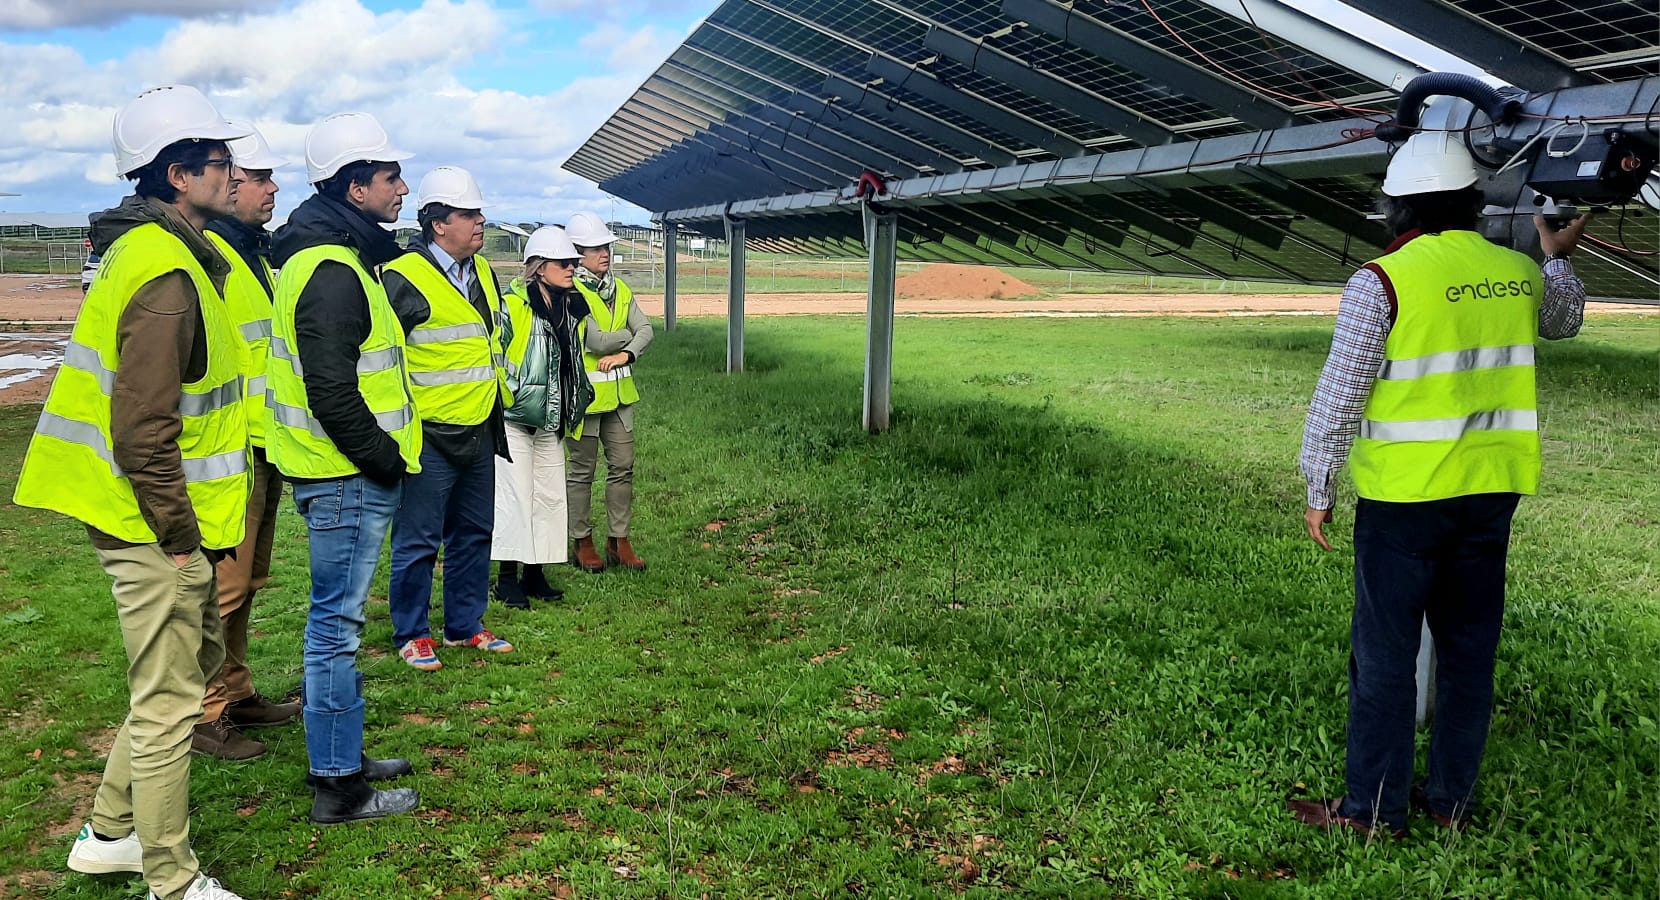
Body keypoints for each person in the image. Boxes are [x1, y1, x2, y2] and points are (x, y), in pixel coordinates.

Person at [1289, 131, 1589, 838]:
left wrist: (1319, 485)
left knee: (1386, 656)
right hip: (1491, 493)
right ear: (1473, 203)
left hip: (1405, 499)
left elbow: (1340, 397)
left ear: (1399, 209)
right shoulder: (1516, 271)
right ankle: (1451, 803)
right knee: (1467, 653)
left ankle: (1374, 811)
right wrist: (1558, 261)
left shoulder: (1383, 280)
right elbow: (1564, 321)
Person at [14, 85, 252, 900]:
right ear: (180, 175)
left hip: (148, 515)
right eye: (223, 162)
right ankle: (172, 882)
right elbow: (143, 429)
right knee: (168, 705)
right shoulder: (164, 271)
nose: (237, 173)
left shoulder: (163, 253)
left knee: (171, 683)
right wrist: (181, 539)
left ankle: (111, 836)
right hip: (149, 521)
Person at [267, 112, 421, 824]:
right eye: (392, 177)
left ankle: (341, 754)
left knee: (336, 624)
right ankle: (339, 785)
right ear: (357, 187)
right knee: (336, 627)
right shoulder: (330, 269)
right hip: (344, 477)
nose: (403, 188)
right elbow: (332, 390)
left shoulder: (332, 254)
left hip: (338, 475)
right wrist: (385, 461)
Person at [192, 122, 300, 761]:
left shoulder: (247, 254)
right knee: (222, 586)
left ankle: (234, 688)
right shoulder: (212, 255)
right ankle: (204, 713)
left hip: (260, 443)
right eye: (258, 178)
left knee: (249, 580)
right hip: (226, 450)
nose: (269, 188)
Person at [382, 166, 514, 670]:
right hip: (428, 434)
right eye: (468, 215)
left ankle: (465, 625)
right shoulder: (401, 277)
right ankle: (412, 633)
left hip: (480, 424)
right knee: (418, 539)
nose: (480, 222)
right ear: (438, 224)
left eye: (480, 213)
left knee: (475, 531)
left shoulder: (482, 271)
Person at [491, 226, 595, 607]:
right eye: (564, 262)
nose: (572, 268)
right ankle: (506, 578)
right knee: (513, 496)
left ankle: (535, 573)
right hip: (516, 418)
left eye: (573, 262)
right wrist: (511, 395)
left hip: (552, 420)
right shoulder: (513, 305)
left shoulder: (572, 306)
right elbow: (497, 354)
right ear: (539, 267)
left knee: (549, 498)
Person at [565, 210, 653, 572]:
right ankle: (581, 541)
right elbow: (595, 340)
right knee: (582, 473)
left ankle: (619, 541)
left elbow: (646, 329)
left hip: (620, 399)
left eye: (606, 247)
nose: (605, 253)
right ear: (576, 253)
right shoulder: (571, 291)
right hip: (585, 400)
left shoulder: (622, 288)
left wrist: (626, 353)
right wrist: (623, 340)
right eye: (595, 248)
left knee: (623, 468)